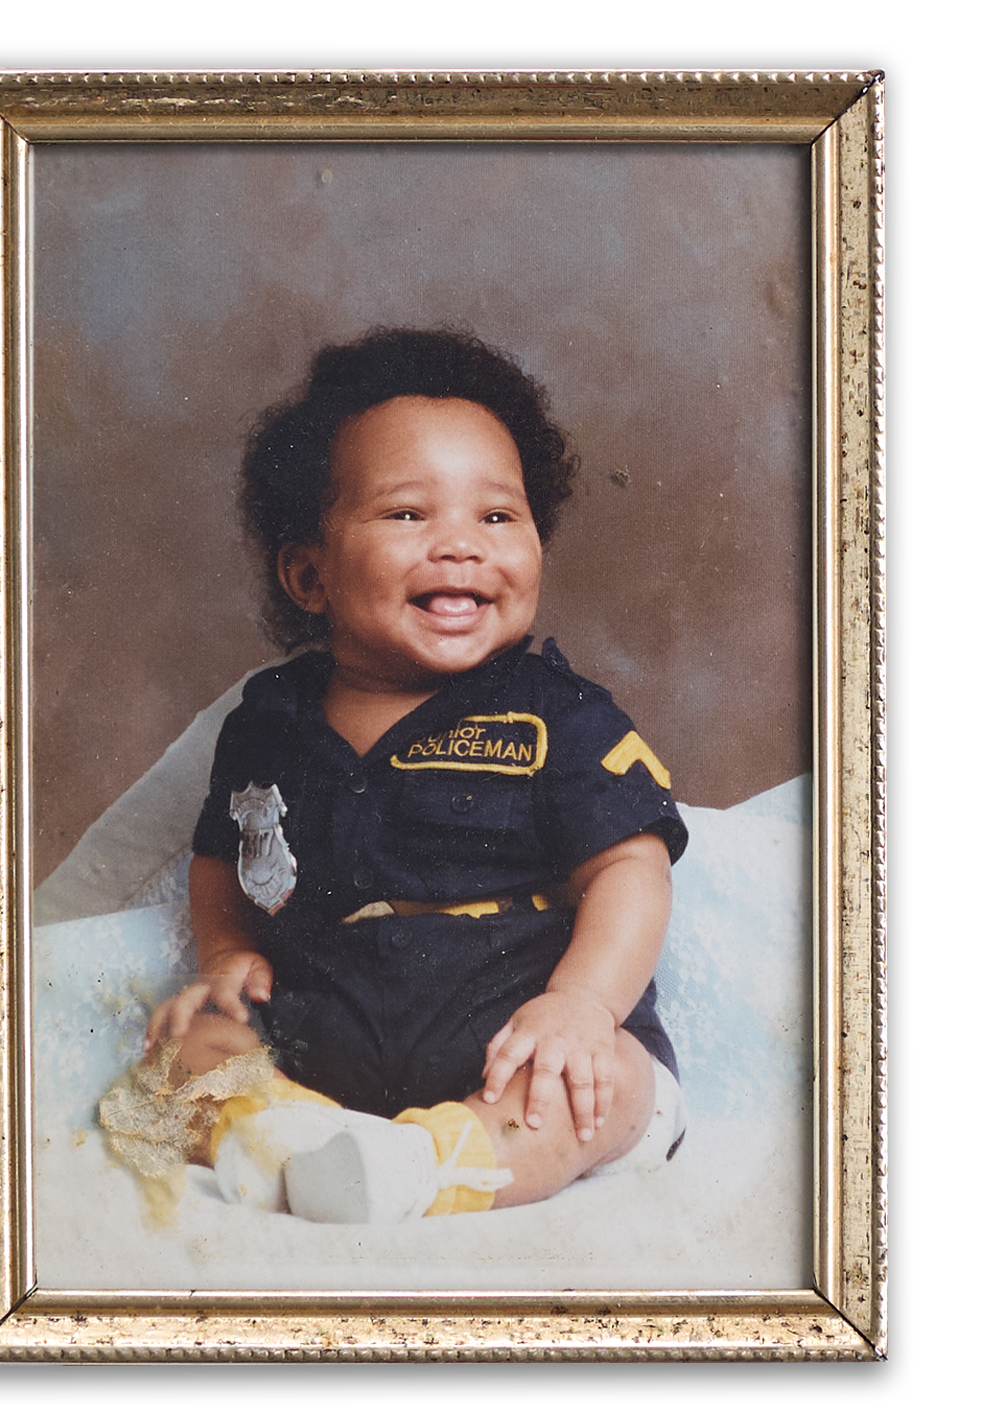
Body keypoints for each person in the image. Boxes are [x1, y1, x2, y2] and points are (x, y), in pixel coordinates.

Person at [143, 327, 689, 1225]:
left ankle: (438, 1167)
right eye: (408, 515)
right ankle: (286, 1135)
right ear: (309, 573)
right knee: (181, 1047)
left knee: (600, 1087)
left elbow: (630, 867)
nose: (461, 546)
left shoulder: (557, 714)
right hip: (328, 1042)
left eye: (498, 516)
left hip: (514, 1042)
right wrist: (226, 956)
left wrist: (582, 1007)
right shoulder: (270, 721)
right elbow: (220, 856)